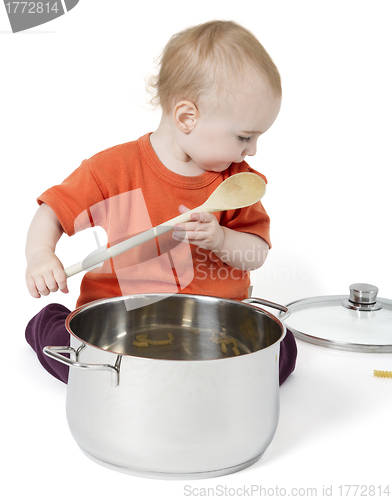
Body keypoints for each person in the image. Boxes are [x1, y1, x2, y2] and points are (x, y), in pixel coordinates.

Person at [25, 20, 297, 384]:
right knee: (79, 365)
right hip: (121, 327)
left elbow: (256, 253)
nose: (253, 150)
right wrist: (41, 255)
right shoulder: (114, 169)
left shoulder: (236, 183)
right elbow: (52, 212)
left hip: (212, 333)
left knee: (284, 350)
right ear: (187, 117)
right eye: (245, 137)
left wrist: (221, 239)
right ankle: (49, 323)